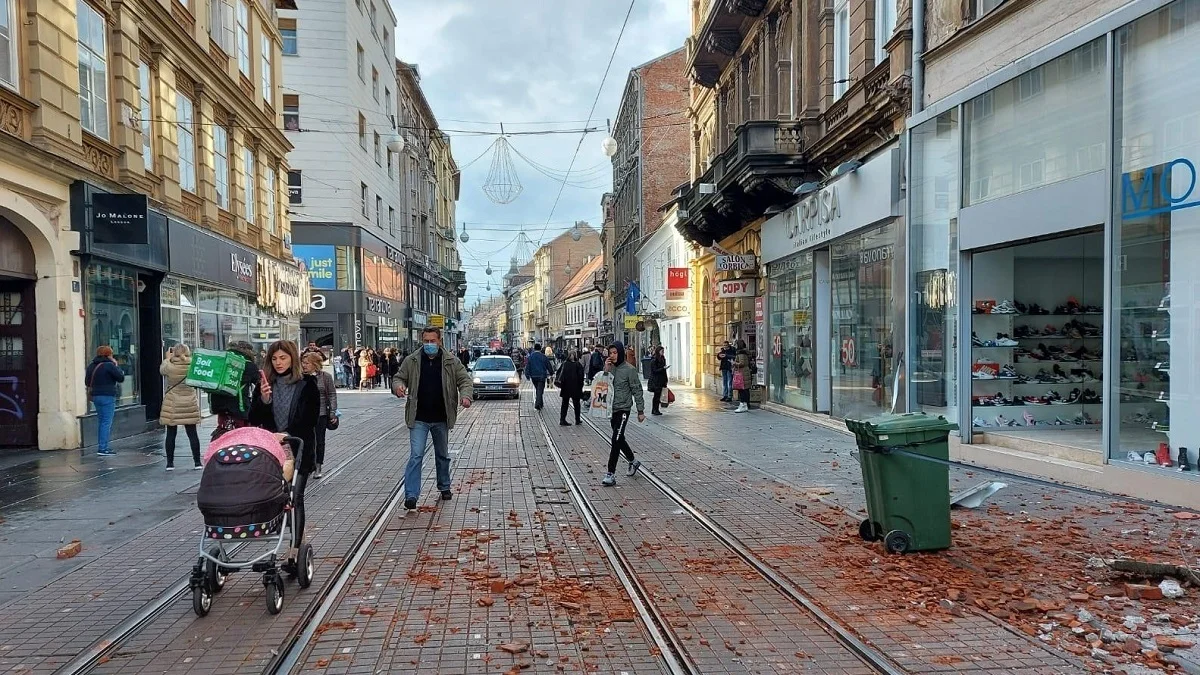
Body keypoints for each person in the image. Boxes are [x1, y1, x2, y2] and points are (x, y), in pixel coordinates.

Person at [250, 340, 320, 564]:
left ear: (292, 358)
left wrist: (287, 433)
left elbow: (310, 418)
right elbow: (254, 418)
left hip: (299, 449)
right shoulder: (266, 384)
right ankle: (288, 535)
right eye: (274, 359)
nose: (278, 363)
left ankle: (294, 548)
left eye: (283, 358)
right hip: (272, 450)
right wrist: (264, 400)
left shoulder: (307, 384)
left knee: (295, 496)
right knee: (278, 497)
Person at [391, 327, 473, 510]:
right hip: (418, 416)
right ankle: (411, 495)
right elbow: (398, 377)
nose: (429, 345)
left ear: (439, 341)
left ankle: (444, 486)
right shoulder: (412, 360)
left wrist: (466, 396)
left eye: (432, 341)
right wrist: (398, 387)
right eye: (426, 341)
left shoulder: (451, 361)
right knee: (416, 455)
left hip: (441, 416)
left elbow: (464, 380)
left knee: (442, 455)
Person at [601, 342, 646, 486]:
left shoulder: (630, 370)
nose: (612, 356)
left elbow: (637, 390)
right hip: (612, 409)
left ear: (620, 353)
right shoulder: (609, 368)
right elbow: (602, 386)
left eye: (615, 353)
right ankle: (633, 461)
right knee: (619, 439)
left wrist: (640, 411)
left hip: (624, 409)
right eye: (610, 353)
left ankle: (610, 473)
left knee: (615, 439)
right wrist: (606, 371)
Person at [159, 344, 202, 470]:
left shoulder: (170, 366)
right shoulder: (193, 365)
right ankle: (197, 462)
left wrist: (167, 358)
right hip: (189, 402)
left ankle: (170, 464)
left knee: (171, 433)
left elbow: (162, 370)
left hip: (173, 402)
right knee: (192, 433)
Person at [210, 341, 262, 440]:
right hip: (239, 408)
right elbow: (259, 383)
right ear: (248, 352)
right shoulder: (249, 365)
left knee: (223, 431)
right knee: (241, 435)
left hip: (219, 406)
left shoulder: (222, 361)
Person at [301, 352, 338, 479]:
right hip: (305, 414)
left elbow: (332, 394)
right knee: (307, 441)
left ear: (315, 364)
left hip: (321, 414)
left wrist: (332, 412)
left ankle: (318, 465)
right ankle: (308, 465)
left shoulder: (325, 377)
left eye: (307, 363)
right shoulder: (301, 377)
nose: (303, 365)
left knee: (319, 441)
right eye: (303, 363)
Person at [86, 346, 125, 457]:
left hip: (95, 396)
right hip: (107, 396)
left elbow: (87, 382)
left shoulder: (91, 366)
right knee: (106, 422)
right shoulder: (109, 365)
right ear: (109, 355)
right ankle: (103, 448)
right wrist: (116, 365)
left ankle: (102, 446)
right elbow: (120, 378)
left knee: (102, 421)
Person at [556, 349, 585, 426]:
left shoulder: (564, 364)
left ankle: (562, 419)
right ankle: (577, 420)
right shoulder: (578, 365)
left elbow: (558, 373)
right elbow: (581, 377)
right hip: (575, 388)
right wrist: (581, 386)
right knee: (576, 404)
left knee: (565, 404)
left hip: (565, 387)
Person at [525, 344, 551, 410]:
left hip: (534, 376)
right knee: (540, 390)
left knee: (538, 389)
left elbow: (528, 366)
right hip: (542, 375)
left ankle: (540, 404)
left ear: (534, 348)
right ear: (540, 349)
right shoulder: (543, 356)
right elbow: (548, 365)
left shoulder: (531, 356)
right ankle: (537, 404)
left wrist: (527, 375)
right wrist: (551, 372)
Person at [649, 346, 669, 416]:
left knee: (658, 395)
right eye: (662, 351)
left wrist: (666, 379)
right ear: (658, 351)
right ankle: (654, 409)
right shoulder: (654, 360)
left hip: (662, 380)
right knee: (656, 395)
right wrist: (663, 368)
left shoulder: (663, 359)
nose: (663, 353)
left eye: (663, 351)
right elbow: (654, 371)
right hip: (656, 380)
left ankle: (656, 409)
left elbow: (664, 371)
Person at [733, 339, 752, 413]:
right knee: (745, 390)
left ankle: (743, 404)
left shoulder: (741, 354)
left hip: (742, 373)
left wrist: (734, 363)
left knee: (742, 390)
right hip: (745, 372)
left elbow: (742, 363)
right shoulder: (745, 353)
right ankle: (746, 404)